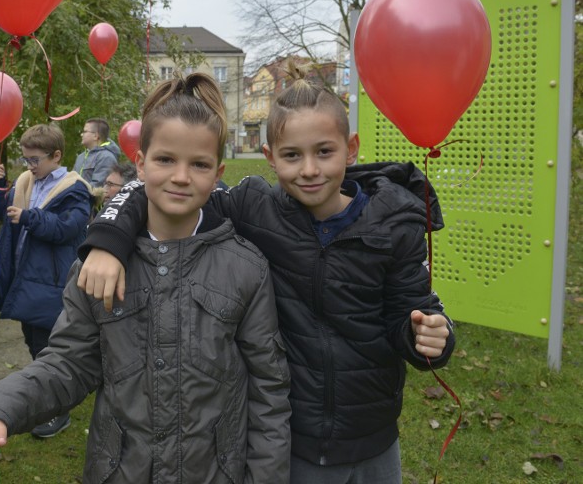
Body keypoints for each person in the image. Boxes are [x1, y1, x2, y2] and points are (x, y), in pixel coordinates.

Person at [76, 64, 456, 483]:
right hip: (297, 438)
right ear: (272, 158)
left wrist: (433, 337)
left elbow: (413, 311)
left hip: (375, 437)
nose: (309, 169)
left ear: (351, 149)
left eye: (324, 152)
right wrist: (108, 240)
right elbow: (158, 190)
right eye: (293, 155)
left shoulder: (395, 222)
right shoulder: (256, 209)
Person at [0, 73, 291, 483]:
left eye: (198, 164)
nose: (181, 176)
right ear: (141, 164)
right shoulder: (96, 267)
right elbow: (67, 362)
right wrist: (0, 407)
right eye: (166, 160)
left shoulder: (245, 267)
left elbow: (269, 392)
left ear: (217, 173)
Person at [0, 123, 92, 438]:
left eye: (35, 159)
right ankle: (48, 399)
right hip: (26, 277)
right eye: (25, 159)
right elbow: (0, 211)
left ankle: (58, 411)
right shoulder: (26, 181)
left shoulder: (75, 189)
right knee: (33, 341)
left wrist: (30, 217)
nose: (29, 165)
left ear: (56, 156)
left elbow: (66, 229)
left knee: (51, 348)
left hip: (51, 282)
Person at [73, 117, 120, 188]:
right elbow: (70, 181)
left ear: (96, 136)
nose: (81, 134)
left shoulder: (106, 157)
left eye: (85, 132)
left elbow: (98, 187)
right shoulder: (80, 157)